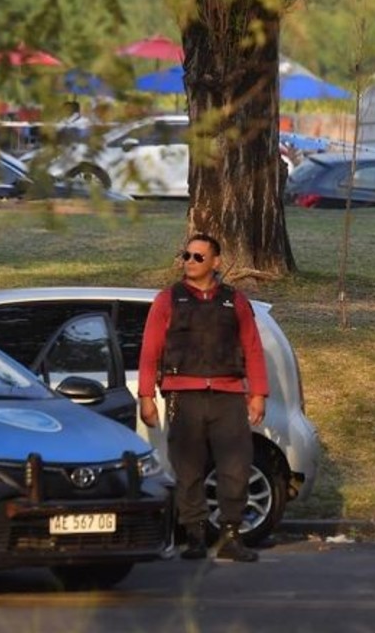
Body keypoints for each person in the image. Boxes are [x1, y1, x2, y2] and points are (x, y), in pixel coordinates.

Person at [138, 233, 268, 563]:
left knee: (236, 467)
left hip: (227, 395)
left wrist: (258, 393)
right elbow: (150, 349)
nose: (190, 262)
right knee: (189, 469)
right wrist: (146, 395)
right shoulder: (168, 299)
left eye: (198, 257)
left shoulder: (234, 301)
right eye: (186, 255)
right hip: (185, 395)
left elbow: (252, 348)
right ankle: (194, 535)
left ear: (216, 262)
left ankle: (230, 535)